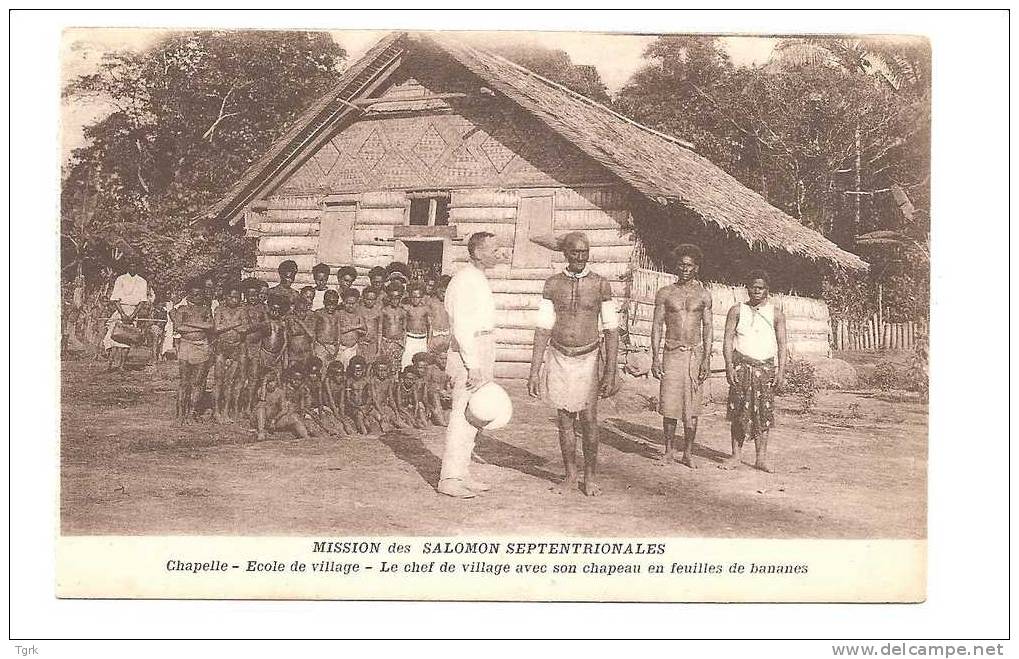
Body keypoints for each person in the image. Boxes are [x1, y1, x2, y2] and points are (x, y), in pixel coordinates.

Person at [527, 232, 619, 496]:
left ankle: (589, 478)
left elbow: (611, 330)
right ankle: (569, 476)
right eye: (575, 252)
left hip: (589, 357)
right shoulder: (552, 284)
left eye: (584, 251)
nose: (580, 257)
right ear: (565, 253)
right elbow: (543, 328)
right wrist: (534, 371)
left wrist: (610, 372)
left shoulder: (601, 284)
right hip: (558, 355)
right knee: (564, 419)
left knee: (589, 419)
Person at [438, 231, 500, 498]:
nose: (499, 253)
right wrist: (472, 364)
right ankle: (449, 479)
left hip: (482, 349)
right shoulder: (464, 280)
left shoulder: (479, 279)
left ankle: (462, 473)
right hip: (468, 353)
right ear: (477, 252)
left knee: (475, 416)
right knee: (461, 416)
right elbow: (462, 327)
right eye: (494, 249)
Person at [650, 244, 713, 469]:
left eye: (689, 265)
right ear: (676, 266)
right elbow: (657, 325)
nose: (684, 269)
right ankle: (668, 451)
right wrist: (655, 358)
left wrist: (706, 358)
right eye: (681, 265)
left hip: (694, 354)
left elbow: (708, 327)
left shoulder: (704, 296)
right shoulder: (666, 293)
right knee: (669, 405)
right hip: (672, 353)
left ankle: (687, 453)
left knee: (692, 408)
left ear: (696, 268)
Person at [721, 270, 787, 473]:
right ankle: (736, 456)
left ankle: (761, 458)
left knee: (763, 414)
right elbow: (727, 340)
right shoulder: (737, 310)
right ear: (747, 288)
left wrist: (781, 371)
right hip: (741, 368)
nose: (756, 291)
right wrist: (729, 366)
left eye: (761, 287)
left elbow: (783, 344)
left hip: (765, 369)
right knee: (738, 411)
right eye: (753, 287)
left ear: (767, 290)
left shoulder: (776, 313)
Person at [170, 279, 214, 425]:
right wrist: (200, 327)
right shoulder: (182, 309)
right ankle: (180, 415)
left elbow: (210, 326)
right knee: (184, 383)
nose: (197, 297)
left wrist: (190, 324)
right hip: (186, 346)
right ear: (189, 295)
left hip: (202, 346)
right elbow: (178, 327)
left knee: (197, 382)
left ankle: (191, 413)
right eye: (194, 295)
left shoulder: (206, 309)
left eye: (200, 295)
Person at [103, 261, 151, 371]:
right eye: (131, 265)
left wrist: (133, 315)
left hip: (134, 311)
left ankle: (121, 366)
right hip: (120, 310)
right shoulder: (120, 279)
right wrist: (123, 314)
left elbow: (142, 301)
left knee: (127, 338)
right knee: (113, 336)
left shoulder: (142, 281)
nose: (133, 268)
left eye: (135, 265)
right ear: (127, 267)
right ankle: (109, 364)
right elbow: (115, 299)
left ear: (138, 268)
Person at [212, 286, 249, 423]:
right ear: (225, 297)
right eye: (231, 297)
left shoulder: (242, 310)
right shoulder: (219, 310)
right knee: (218, 381)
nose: (234, 300)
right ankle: (216, 411)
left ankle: (226, 411)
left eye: (237, 297)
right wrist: (235, 324)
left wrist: (227, 325)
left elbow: (245, 328)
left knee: (230, 382)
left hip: (236, 348)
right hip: (222, 348)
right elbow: (217, 328)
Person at [255, 368, 310, 442]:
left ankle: (306, 436)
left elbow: (284, 409)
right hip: (262, 420)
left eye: (272, 381)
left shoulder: (280, 392)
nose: (271, 384)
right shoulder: (261, 391)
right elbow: (262, 401)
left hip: (275, 420)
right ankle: (261, 432)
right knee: (261, 407)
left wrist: (274, 420)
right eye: (268, 382)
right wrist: (264, 385)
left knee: (294, 418)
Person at [402, 282, 430, 369]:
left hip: (422, 339)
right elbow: (404, 326)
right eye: (413, 297)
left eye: (417, 297)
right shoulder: (407, 308)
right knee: (407, 361)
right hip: (410, 338)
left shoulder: (426, 309)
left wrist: (429, 342)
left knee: (421, 364)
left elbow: (430, 326)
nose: (415, 299)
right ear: (409, 296)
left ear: (421, 297)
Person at [379, 282, 407, 370]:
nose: (395, 300)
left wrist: (404, 344)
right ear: (388, 297)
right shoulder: (384, 311)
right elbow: (380, 329)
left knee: (397, 368)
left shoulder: (403, 312)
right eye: (392, 298)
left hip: (398, 343)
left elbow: (404, 329)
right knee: (386, 367)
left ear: (400, 297)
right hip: (387, 343)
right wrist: (380, 345)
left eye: (397, 298)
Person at [426, 275, 451, 367]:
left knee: (444, 362)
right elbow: (428, 322)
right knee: (431, 361)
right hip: (434, 336)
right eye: (442, 292)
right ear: (437, 289)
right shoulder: (431, 302)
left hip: (447, 335)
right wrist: (429, 340)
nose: (444, 295)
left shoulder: (450, 303)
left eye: (446, 292)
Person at [357, 286, 383, 362]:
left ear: (376, 299)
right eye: (367, 299)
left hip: (373, 344)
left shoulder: (378, 311)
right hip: (360, 344)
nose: (370, 301)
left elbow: (380, 331)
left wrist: (378, 349)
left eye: (372, 299)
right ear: (363, 298)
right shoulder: (359, 310)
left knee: (371, 366)